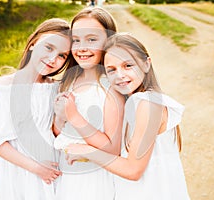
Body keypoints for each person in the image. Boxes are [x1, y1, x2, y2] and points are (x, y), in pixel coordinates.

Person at [65, 33, 190, 200]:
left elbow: (133, 170)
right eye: (112, 70)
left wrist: (87, 151)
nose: (120, 75)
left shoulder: (148, 104)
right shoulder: (134, 102)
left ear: (146, 64)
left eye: (128, 65)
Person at [0, 18, 72, 200]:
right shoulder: (7, 88)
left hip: (54, 167)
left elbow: (54, 131)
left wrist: (61, 117)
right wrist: (36, 168)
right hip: (22, 171)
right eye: (49, 47)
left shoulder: (55, 88)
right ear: (34, 43)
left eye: (62, 55)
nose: (53, 59)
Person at [52, 7, 125, 200]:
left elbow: (113, 149)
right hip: (66, 176)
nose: (81, 48)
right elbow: (59, 133)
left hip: (94, 179)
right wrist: (60, 119)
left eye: (91, 40)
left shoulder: (110, 88)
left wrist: (74, 117)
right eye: (76, 40)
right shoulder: (69, 82)